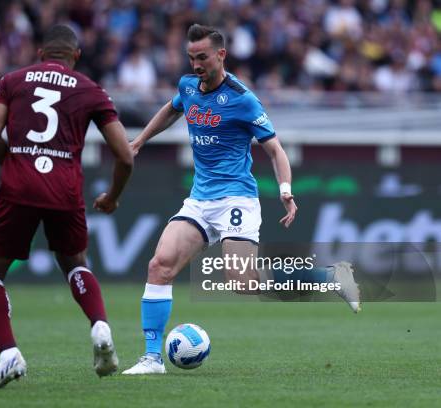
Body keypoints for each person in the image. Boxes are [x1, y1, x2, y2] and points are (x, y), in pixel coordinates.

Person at [122, 24, 360, 375]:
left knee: (242, 282)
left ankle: (330, 278)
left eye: (202, 57)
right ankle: (152, 359)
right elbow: (171, 110)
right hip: (200, 200)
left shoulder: (242, 99)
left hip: (237, 199)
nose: (196, 65)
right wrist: (139, 140)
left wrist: (285, 192)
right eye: (191, 58)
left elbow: (275, 150)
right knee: (159, 265)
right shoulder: (188, 86)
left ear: (221, 55)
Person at [0, 24, 133, 389]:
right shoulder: (91, 90)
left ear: (40, 53)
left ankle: (8, 354)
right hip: (64, 188)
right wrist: (112, 195)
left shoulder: (13, 80)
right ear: (75, 57)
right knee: (75, 263)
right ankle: (100, 326)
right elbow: (125, 156)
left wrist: (16, 164)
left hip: (19, 186)